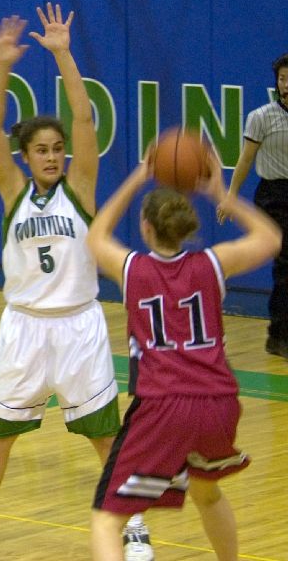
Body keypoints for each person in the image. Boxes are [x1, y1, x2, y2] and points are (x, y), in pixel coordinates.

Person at [0, 6, 151, 561]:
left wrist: (63, 54)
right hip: (24, 328)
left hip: (78, 325)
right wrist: (1, 68)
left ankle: (134, 527)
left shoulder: (81, 187)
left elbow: (85, 119)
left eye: (57, 148)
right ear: (26, 157)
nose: (52, 156)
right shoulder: (14, 192)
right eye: (41, 150)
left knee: (105, 434)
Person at [86, 152, 280, 560]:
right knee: (207, 494)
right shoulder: (212, 264)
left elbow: (96, 236)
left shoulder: (133, 269)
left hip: (164, 405)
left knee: (107, 520)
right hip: (218, 403)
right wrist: (221, 193)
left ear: (146, 227)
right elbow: (270, 238)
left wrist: (138, 176)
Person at [218, 53, 288, 359]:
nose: (286, 84)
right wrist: (231, 196)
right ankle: (278, 336)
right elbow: (245, 159)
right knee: (286, 265)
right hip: (274, 196)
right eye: (282, 79)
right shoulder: (261, 117)